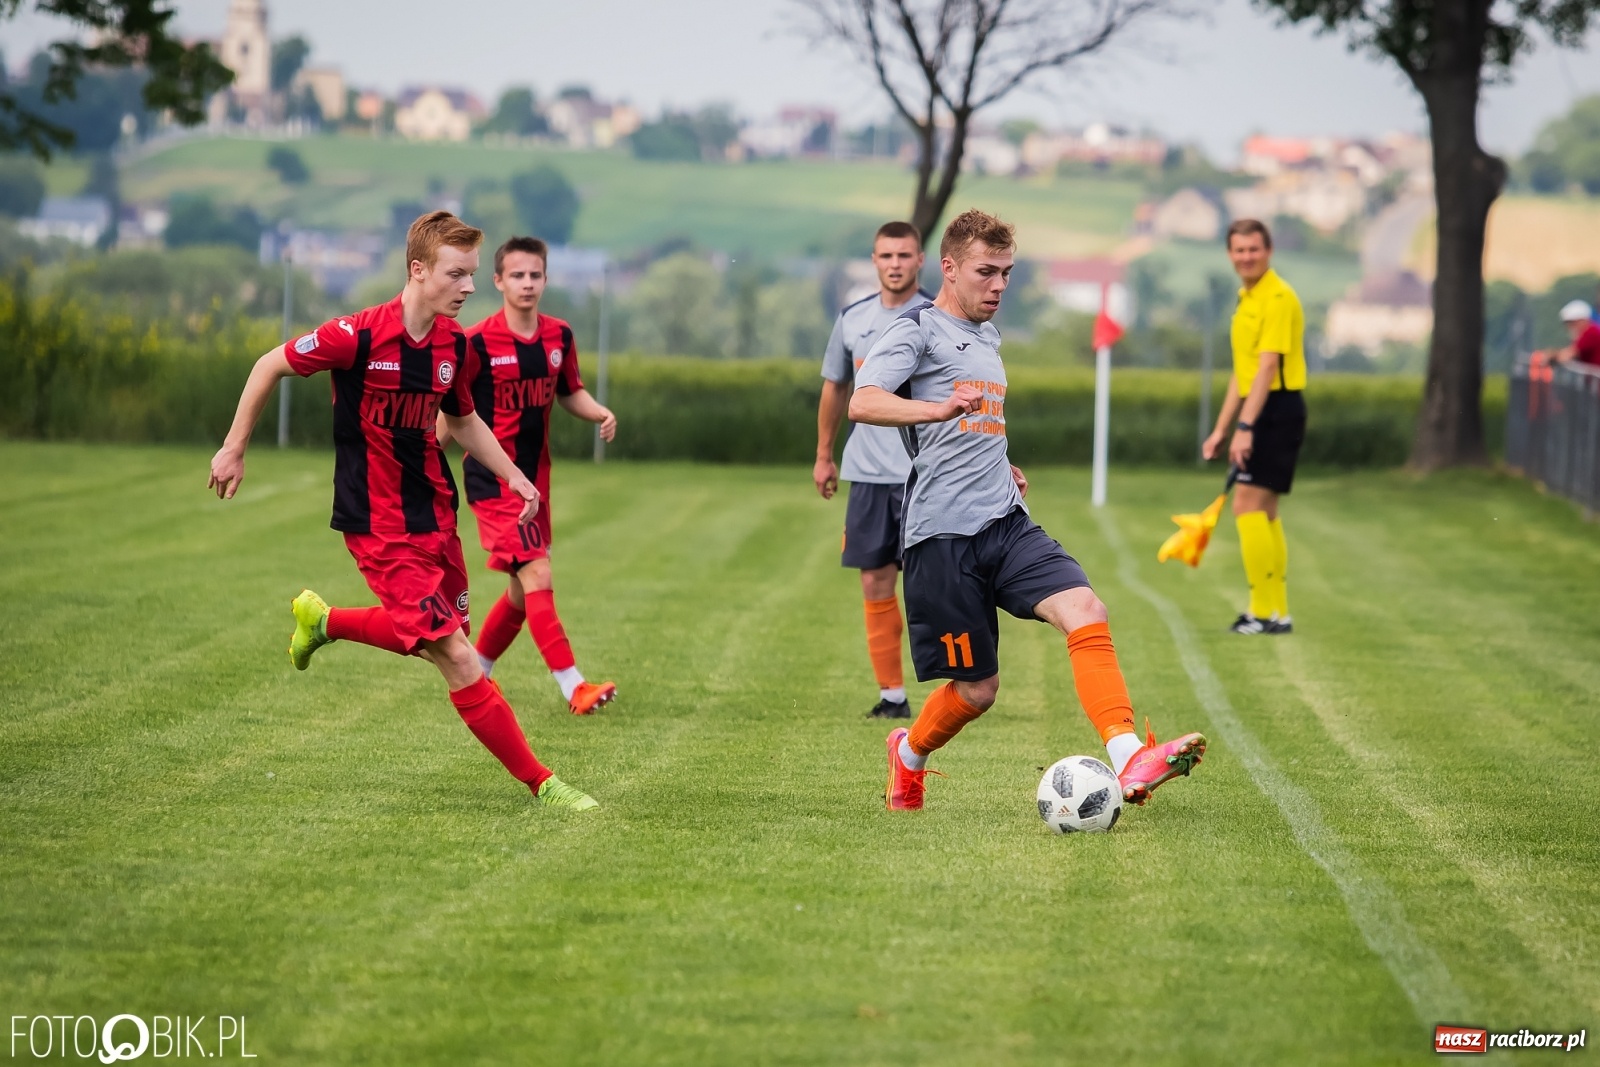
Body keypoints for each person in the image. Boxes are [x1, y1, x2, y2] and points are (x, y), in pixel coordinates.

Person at [207, 211, 598, 811]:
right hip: (376, 523)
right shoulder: (357, 335)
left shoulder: (453, 345)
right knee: (459, 657)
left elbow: (463, 421)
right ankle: (544, 784)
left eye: (472, 274)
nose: (469, 286)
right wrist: (234, 447)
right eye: (457, 274)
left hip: (435, 513)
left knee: (440, 636)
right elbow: (270, 364)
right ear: (418, 270)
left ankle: (325, 622)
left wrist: (514, 476)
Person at [850, 208, 1206, 812]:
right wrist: (936, 410)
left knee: (1086, 609)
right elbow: (864, 401)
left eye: (1007, 273)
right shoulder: (917, 329)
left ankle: (1130, 757)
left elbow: (976, 420)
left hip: (1005, 520)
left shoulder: (987, 338)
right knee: (978, 690)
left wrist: (999, 459)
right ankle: (908, 754)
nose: (999, 286)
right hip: (942, 537)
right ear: (949, 268)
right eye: (986, 273)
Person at [437, 236, 619, 716]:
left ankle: (477, 672)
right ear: (498, 281)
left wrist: (599, 412)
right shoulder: (475, 342)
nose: (527, 283)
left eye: (535, 275)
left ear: (546, 279)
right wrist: (422, 459)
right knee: (537, 572)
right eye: (517, 275)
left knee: (522, 593)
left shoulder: (559, 337)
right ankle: (574, 686)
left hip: (537, 483)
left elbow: (570, 391)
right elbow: (453, 413)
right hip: (494, 482)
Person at [814, 221, 934, 720]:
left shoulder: (937, 318)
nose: (895, 264)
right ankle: (893, 697)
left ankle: (960, 691)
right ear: (874, 260)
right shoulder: (853, 319)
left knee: (932, 587)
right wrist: (824, 454)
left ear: (920, 260)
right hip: (867, 476)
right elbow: (835, 387)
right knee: (874, 584)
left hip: (923, 474)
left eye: (904, 255)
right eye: (886, 255)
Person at [1202, 218, 1307, 636]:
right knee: (1265, 510)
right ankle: (1277, 612)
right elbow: (1242, 374)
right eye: (1239, 250)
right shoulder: (1247, 298)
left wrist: (1246, 427)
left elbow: (1266, 369)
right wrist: (1222, 428)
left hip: (1277, 408)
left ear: (1269, 251)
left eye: (1254, 249)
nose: (1246, 257)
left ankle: (1262, 613)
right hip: (1262, 407)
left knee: (1246, 505)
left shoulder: (1278, 297)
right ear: (1230, 254)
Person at [1542, 300, 1600, 367]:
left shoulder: (1590, 332)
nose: (1570, 326)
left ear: (1582, 320)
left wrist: (1552, 356)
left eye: (1572, 323)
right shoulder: (1591, 331)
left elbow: (1568, 355)